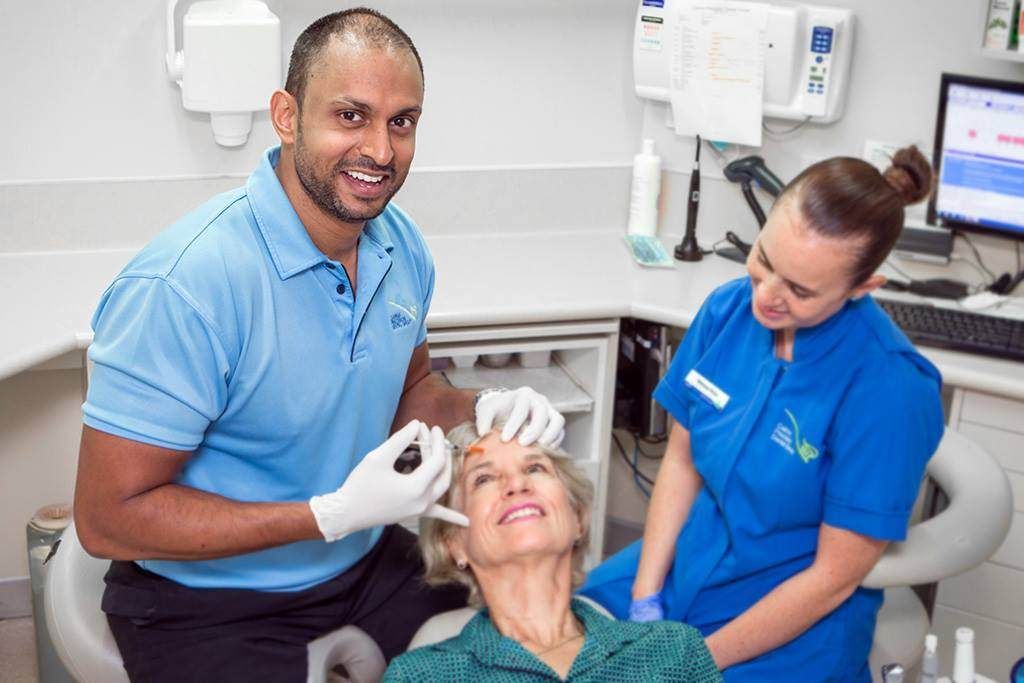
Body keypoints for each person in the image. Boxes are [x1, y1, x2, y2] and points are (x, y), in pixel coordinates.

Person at [72, 9, 565, 682]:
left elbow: (411, 394)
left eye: (402, 122)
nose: (382, 152)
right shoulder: (187, 285)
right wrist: (326, 515)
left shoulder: (401, 246)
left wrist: (485, 406)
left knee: (527, 650)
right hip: (205, 599)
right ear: (286, 114)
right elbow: (107, 519)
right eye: (351, 116)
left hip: (361, 565)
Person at [580, 146, 945, 681]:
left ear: (863, 288)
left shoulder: (889, 388)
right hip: (690, 560)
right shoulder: (728, 311)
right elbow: (681, 462)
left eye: (799, 289)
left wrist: (693, 663)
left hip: (790, 620)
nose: (767, 297)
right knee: (550, 645)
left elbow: (833, 579)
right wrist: (645, 597)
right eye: (765, 260)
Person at [384, 422, 723, 682]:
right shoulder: (422, 676)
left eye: (535, 468)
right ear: (453, 543)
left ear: (577, 518)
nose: (517, 485)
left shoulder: (675, 652)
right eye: (483, 479)